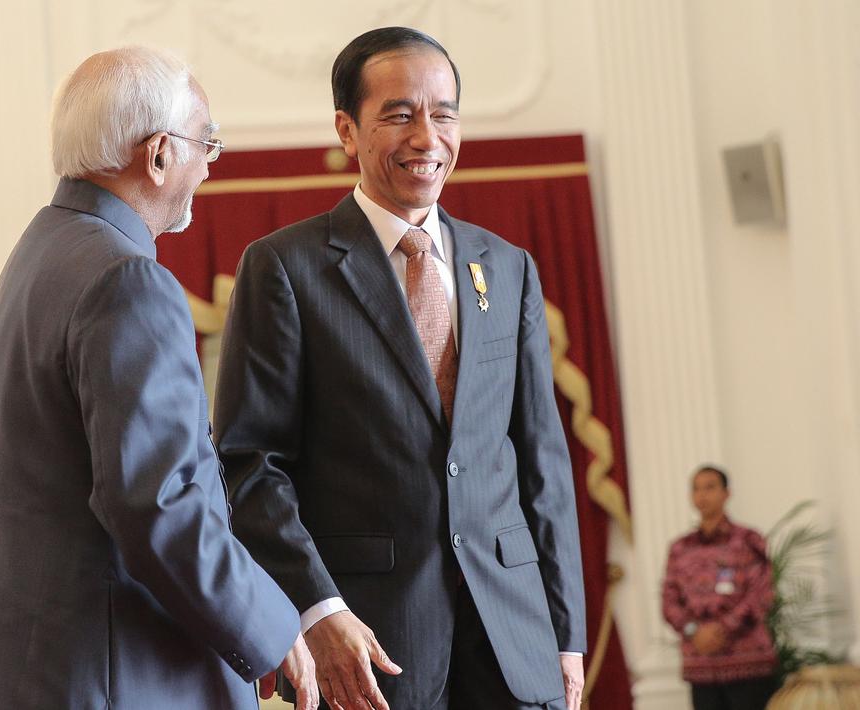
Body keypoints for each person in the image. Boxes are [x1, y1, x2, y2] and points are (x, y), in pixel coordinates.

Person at [215, 26, 587, 710]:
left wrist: (566, 638)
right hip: (370, 642)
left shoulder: (506, 267)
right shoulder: (285, 268)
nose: (426, 137)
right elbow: (249, 464)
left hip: (514, 639)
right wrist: (317, 610)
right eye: (398, 115)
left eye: (443, 114)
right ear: (346, 131)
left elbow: (543, 464)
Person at [0, 47, 318, 710]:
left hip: (23, 679)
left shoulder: (35, 254)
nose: (209, 164)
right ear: (158, 154)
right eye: (205, 143)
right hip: (118, 681)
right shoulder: (127, 279)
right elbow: (160, 504)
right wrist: (273, 627)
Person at [662, 465, 779, 710]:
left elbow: (761, 594)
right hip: (701, 667)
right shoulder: (680, 549)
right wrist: (695, 631)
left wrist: (721, 629)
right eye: (696, 489)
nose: (702, 495)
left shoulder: (748, 540)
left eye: (710, 487)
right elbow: (669, 602)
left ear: (726, 493)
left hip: (748, 664)